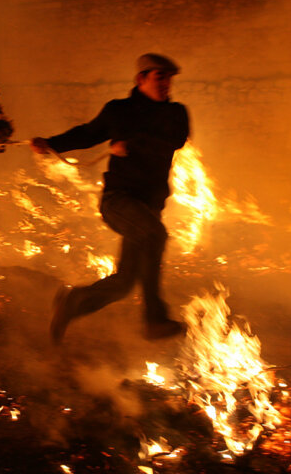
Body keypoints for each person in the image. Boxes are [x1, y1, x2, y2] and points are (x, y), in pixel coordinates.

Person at [31, 53, 190, 342]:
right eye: (160, 77)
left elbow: (172, 141)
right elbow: (87, 134)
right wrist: (50, 144)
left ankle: (72, 304)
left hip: (148, 207)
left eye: (169, 78)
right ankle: (154, 320)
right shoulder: (118, 110)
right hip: (118, 200)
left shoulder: (176, 113)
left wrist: (131, 144)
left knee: (125, 283)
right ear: (141, 78)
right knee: (155, 235)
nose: (166, 83)